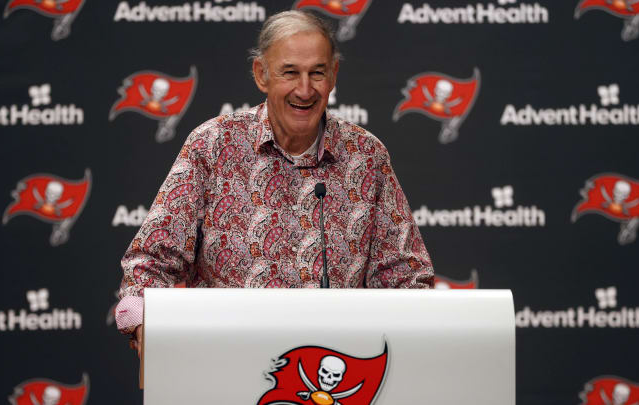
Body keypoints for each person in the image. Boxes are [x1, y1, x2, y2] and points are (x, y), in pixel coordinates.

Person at [116, 10, 434, 356]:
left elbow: (406, 276)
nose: (305, 89)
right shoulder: (212, 145)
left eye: (317, 73)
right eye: (290, 73)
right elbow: (149, 262)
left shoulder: (366, 155)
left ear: (334, 75)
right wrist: (142, 321)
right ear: (261, 75)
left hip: (332, 372)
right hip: (224, 365)